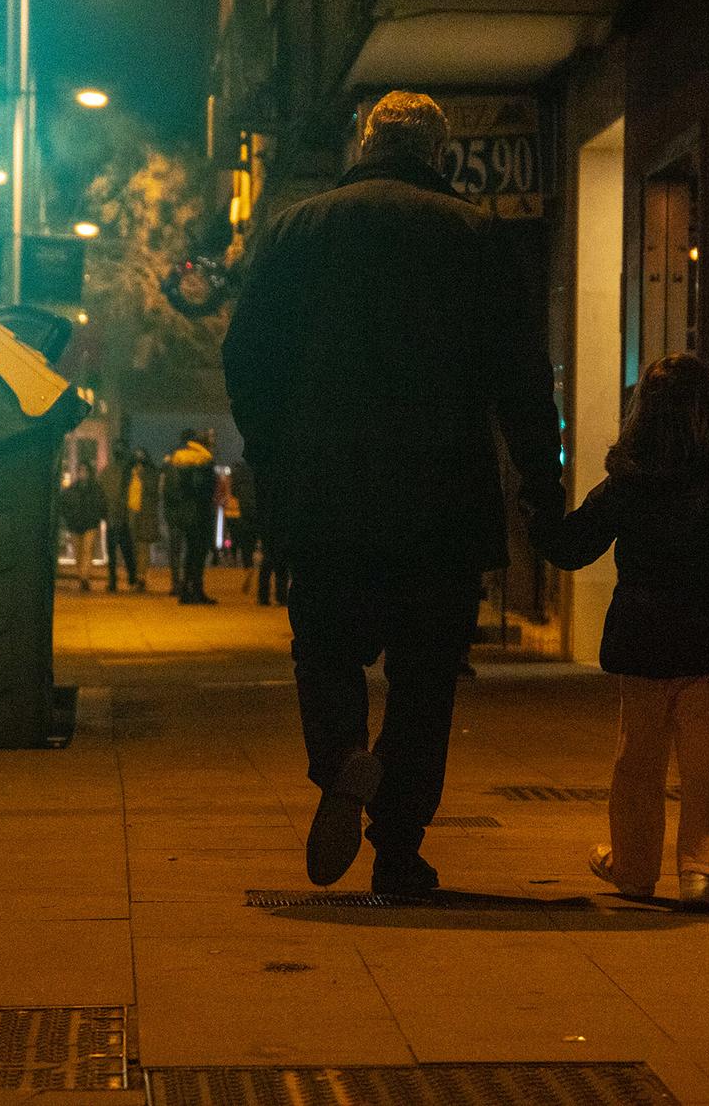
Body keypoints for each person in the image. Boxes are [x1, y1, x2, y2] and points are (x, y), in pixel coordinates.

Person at [223, 90, 563, 896]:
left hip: (327, 497)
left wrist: (276, 448)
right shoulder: (474, 235)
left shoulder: (296, 229)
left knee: (327, 650)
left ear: (365, 142)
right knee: (426, 679)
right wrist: (541, 486)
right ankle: (399, 848)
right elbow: (520, 378)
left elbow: (245, 354)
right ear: (439, 154)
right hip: (440, 505)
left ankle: (342, 760)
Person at [536, 354, 709, 911]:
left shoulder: (629, 486)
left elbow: (571, 548)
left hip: (643, 644)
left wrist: (536, 505)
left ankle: (636, 870)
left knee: (636, 764)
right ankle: (700, 872)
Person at [163, 430, 217, 604]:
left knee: (188, 553)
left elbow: (169, 491)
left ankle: (185, 590)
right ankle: (197, 591)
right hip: (200, 513)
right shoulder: (204, 459)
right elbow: (207, 489)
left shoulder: (177, 458)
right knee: (198, 553)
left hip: (182, 514)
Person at [98, 445, 142, 592]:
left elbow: (102, 493)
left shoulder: (107, 471)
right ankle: (131, 579)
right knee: (127, 551)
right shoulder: (128, 471)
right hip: (122, 516)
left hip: (112, 516)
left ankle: (113, 582)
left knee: (113, 553)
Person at [60, 461, 106, 593]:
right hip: (75, 525)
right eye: (81, 470)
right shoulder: (72, 489)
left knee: (87, 550)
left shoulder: (95, 489)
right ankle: (82, 576)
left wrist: (97, 517)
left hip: (90, 524)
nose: (83, 473)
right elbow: (64, 505)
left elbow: (101, 504)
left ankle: (84, 577)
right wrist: (69, 517)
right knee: (78, 552)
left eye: (85, 471)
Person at [126, 449, 162, 593]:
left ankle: (141, 577)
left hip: (145, 513)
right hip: (131, 512)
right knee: (134, 546)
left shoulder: (151, 473)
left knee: (143, 546)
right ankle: (136, 576)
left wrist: (142, 477)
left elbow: (154, 490)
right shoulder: (129, 472)